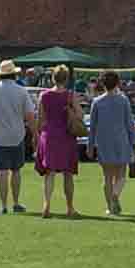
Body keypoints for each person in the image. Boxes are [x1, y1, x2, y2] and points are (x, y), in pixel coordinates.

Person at [0, 59, 35, 215]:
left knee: (2, 170)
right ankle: (16, 203)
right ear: (14, 74)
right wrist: (35, 133)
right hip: (17, 135)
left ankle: (3, 205)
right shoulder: (21, 91)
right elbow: (30, 115)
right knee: (16, 170)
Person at [87, 72, 135, 218]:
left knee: (107, 177)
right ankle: (115, 196)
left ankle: (110, 206)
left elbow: (93, 127)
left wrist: (90, 145)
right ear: (117, 84)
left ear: (102, 84)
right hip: (122, 140)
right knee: (121, 175)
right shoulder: (123, 101)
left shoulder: (96, 102)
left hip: (104, 142)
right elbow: (130, 123)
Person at [32, 66, 82, 217]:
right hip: (66, 136)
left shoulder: (44, 95)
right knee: (68, 174)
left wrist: (38, 137)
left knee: (49, 173)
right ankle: (70, 207)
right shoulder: (70, 95)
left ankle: (46, 205)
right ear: (66, 79)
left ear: (52, 78)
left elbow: (40, 119)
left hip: (48, 135)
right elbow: (80, 115)